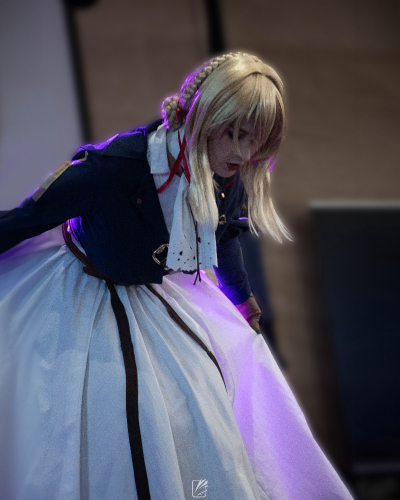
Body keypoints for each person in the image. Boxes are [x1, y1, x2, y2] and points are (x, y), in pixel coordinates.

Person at [0, 52, 353, 500]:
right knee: (90, 421)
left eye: (256, 140)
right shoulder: (116, 166)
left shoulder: (227, 175)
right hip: (78, 297)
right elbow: (28, 218)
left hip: (156, 297)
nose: (244, 153)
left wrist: (242, 299)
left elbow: (223, 236)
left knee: (197, 413)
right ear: (201, 117)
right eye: (234, 134)